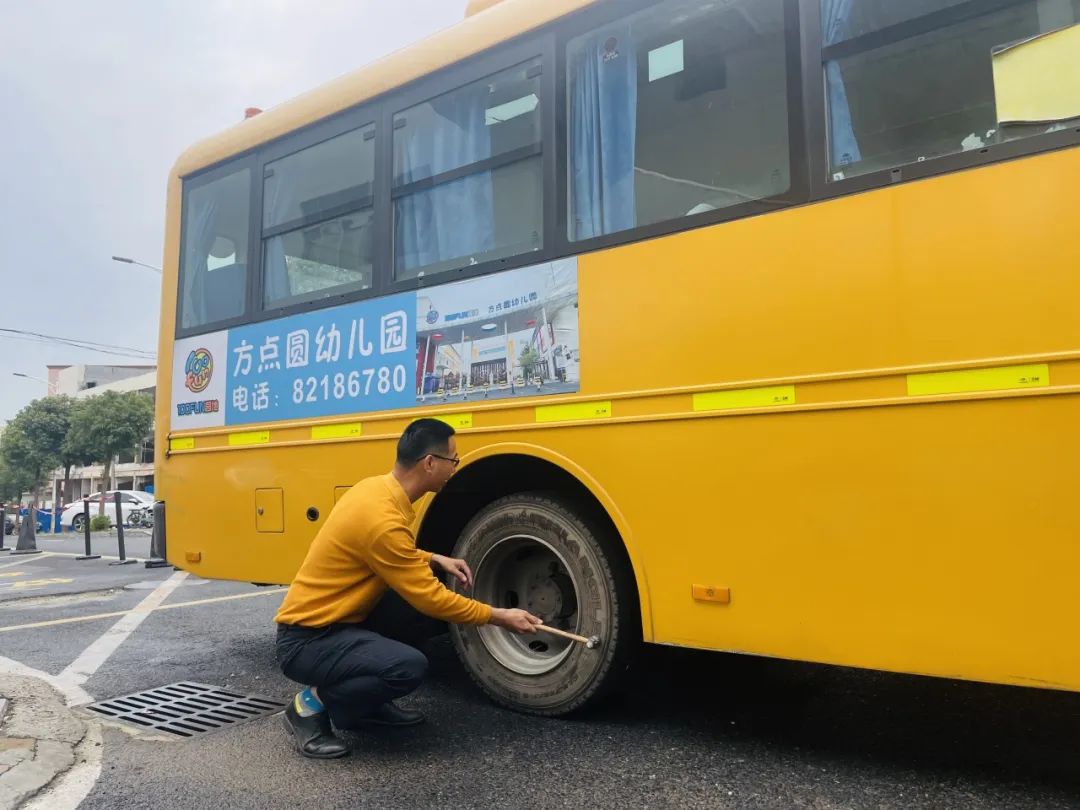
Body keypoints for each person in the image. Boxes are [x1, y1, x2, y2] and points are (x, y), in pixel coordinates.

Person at [274, 418, 542, 759]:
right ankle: (307, 708)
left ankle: (364, 707)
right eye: (453, 460)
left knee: (413, 614)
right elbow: (430, 597)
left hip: (339, 624)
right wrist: (500, 616)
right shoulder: (381, 517)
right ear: (430, 463)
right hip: (307, 640)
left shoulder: (375, 490)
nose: (455, 468)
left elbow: (380, 548)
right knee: (407, 667)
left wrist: (433, 557)